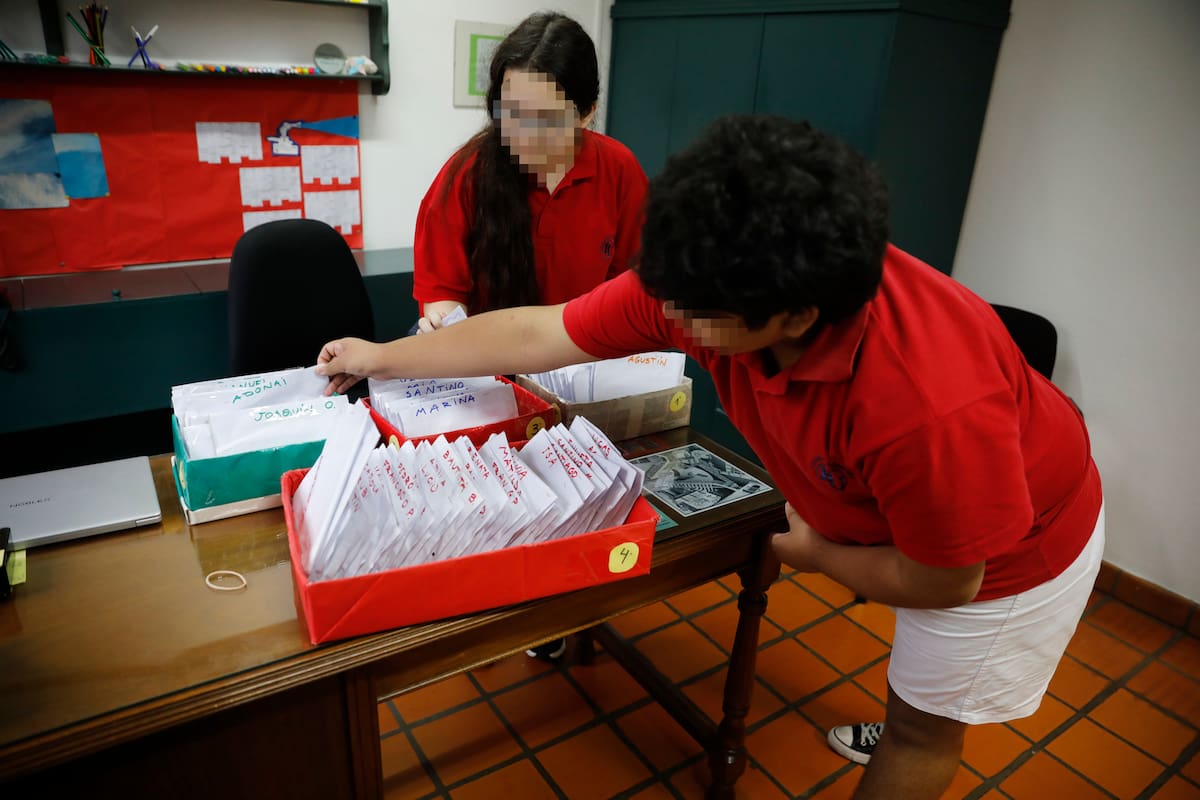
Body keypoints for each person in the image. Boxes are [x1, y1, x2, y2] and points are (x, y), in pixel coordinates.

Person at [316, 115, 1104, 800]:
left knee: (921, 734)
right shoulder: (711, 276)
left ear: (796, 314)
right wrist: (384, 355)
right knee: (913, 691)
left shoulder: (928, 403)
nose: (671, 323)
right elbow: (536, 332)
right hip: (893, 511)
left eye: (697, 318)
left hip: (1010, 555)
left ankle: (910, 719)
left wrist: (820, 553)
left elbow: (944, 578)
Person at [412, 11, 647, 333]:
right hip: (485, 358)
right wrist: (445, 327)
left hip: (585, 355)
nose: (523, 135)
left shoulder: (619, 170)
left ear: (586, 113)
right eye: (512, 112)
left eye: (546, 118)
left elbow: (630, 293)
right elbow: (443, 301)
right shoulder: (466, 175)